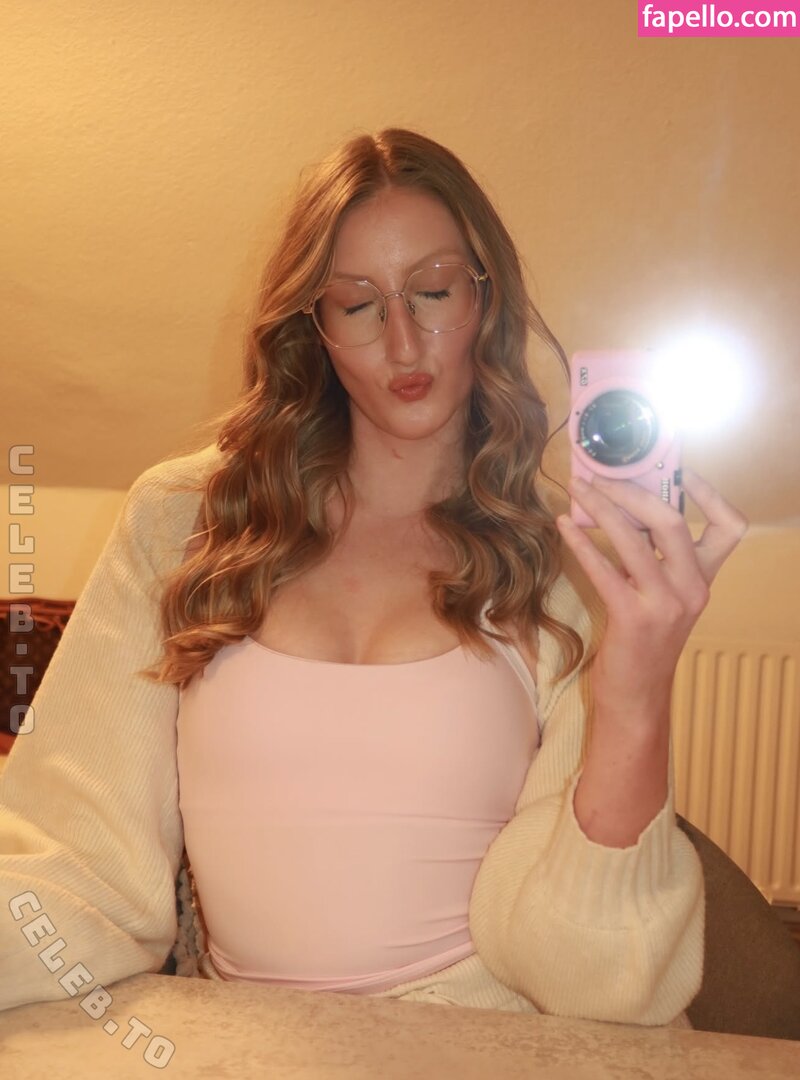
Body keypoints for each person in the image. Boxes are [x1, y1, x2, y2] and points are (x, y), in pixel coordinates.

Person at [0, 128, 746, 1023]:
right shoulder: (183, 521)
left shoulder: (566, 564)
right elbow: (77, 867)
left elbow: (596, 982)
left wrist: (636, 696)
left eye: (433, 291)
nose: (403, 342)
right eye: (357, 305)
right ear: (312, 327)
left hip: (490, 1045)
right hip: (240, 1047)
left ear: (486, 297)